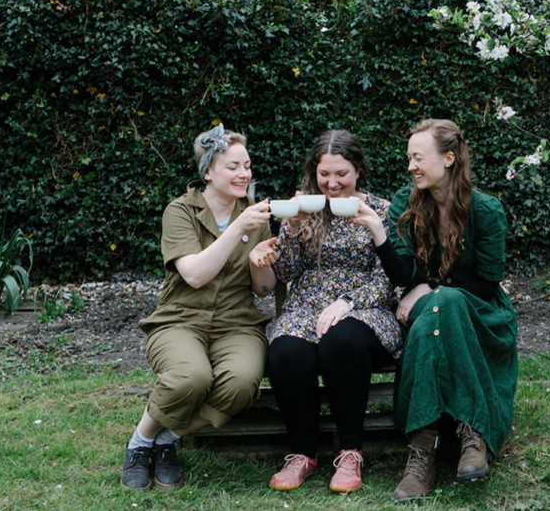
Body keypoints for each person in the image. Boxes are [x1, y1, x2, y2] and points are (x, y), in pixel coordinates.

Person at [353, 118, 518, 501]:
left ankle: (423, 449)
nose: (410, 166)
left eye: (417, 157)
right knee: (440, 309)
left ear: (447, 158)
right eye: (408, 157)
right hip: (428, 310)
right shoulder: (404, 202)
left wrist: (433, 287)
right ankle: (470, 435)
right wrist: (379, 234)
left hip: (480, 314)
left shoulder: (486, 210)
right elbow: (403, 275)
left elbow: (487, 284)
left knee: (446, 303)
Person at [120, 124, 278, 490]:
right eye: (233, 167)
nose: (244, 174)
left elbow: (266, 288)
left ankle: (167, 438)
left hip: (237, 323)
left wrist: (260, 262)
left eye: (248, 165)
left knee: (241, 382)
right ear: (208, 171)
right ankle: (140, 443)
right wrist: (238, 228)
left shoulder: (256, 214)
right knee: (191, 377)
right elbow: (194, 275)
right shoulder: (180, 212)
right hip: (179, 321)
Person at [252, 130, 403, 493]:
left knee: (342, 341)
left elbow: (391, 277)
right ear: (314, 173)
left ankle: (350, 452)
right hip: (306, 307)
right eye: (325, 174)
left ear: (358, 170)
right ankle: (302, 454)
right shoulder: (305, 210)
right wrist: (291, 226)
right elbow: (285, 273)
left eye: (342, 174)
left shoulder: (380, 210)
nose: (332, 183)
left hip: (367, 308)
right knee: (286, 349)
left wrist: (346, 302)